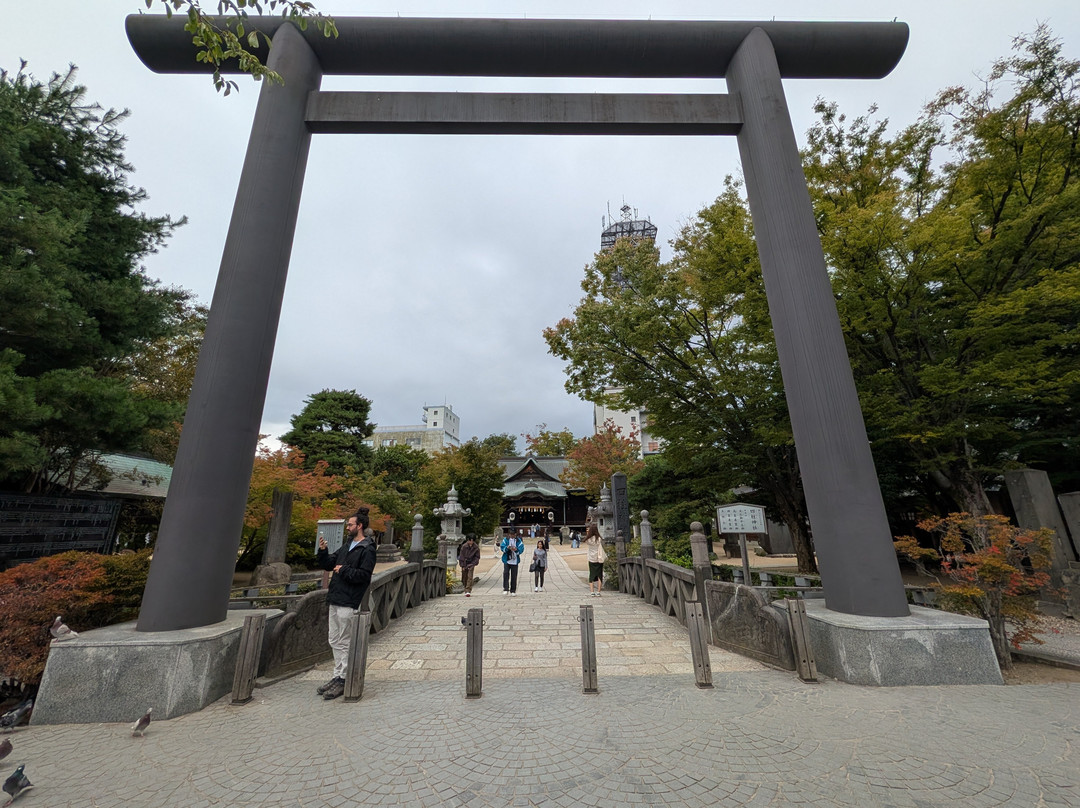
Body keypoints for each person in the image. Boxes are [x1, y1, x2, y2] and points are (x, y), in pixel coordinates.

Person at [315, 508, 377, 700]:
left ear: (359, 526)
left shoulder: (367, 549)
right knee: (334, 639)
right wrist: (323, 551)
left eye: (350, 524)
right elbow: (329, 564)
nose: (347, 527)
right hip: (335, 596)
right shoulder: (347, 545)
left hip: (349, 599)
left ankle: (344, 678)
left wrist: (345, 570)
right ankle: (337, 675)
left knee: (345, 640)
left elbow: (364, 576)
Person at [584, 523, 606, 597]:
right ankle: (598, 591)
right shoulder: (599, 539)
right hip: (599, 558)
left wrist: (588, 533)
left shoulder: (588, 540)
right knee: (599, 574)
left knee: (591, 574)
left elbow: (586, 539)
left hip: (591, 558)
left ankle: (592, 591)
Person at [501, 532, 525, 596]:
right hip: (507, 559)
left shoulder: (518, 541)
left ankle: (513, 590)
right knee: (506, 573)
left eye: (513, 534)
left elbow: (521, 549)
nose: (512, 536)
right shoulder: (505, 540)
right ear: (509, 534)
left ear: (515, 534)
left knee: (514, 575)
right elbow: (502, 547)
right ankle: (506, 588)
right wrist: (507, 548)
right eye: (511, 534)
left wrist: (516, 550)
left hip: (514, 560)